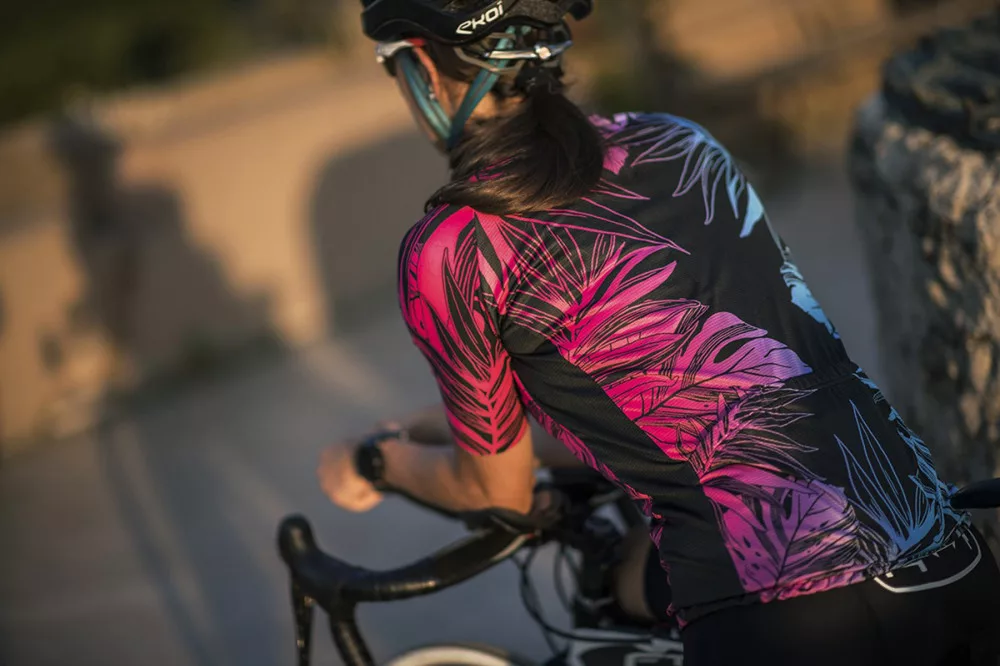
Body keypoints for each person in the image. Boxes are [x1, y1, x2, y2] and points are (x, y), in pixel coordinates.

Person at [317, 1, 1000, 663]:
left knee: (620, 579)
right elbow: (695, 396)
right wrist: (429, 428)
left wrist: (373, 461)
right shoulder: (680, 142)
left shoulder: (456, 245)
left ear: (422, 68)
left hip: (783, 617)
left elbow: (497, 493)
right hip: (947, 557)